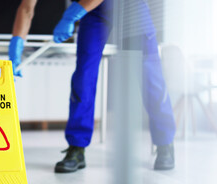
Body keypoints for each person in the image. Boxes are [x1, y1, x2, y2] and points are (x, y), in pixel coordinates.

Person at [9, 0, 176, 172]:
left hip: (129, 7)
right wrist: (16, 45)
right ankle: (77, 148)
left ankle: (165, 144)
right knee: (84, 76)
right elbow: (26, 8)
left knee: (150, 77)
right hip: (93, 12)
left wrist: (71, 15)